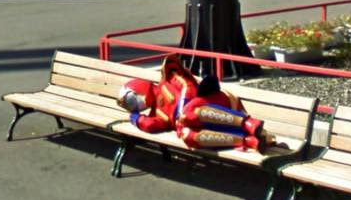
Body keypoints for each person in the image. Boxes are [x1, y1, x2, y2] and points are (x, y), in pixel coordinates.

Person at [117, 55, 274, 152]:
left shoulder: (168, 79)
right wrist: (135, 117)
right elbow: (151, 125)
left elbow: (189, 86)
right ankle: (247, 141)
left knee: (188, 113)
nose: (136, 106)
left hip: (211, 101)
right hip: (196, 122)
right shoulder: (156, 113)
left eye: (132, 101)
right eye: (131, 107)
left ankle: (248, 123)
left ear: (138, 88)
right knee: (187, 136)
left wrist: (182, 109)